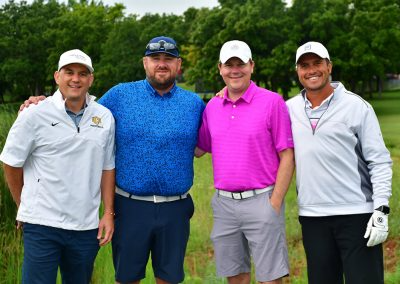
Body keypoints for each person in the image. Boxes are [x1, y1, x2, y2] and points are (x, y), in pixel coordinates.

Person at [0, 49, 116, 284]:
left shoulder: (104, 117)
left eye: (83, 73)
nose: (76, 79)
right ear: (57, 76)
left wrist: (108, 213)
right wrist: (24, 206)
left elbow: (107, 167)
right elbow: (11, 162)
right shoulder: (34, 113)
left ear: (91, 79)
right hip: (42, 225)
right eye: (69, 72)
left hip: (85, 226)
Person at [98, 36, 205, 284]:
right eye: (155, 58)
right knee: (127, 278)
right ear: (145, 63)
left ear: (178, 65)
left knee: (169, 278)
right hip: (130, 207)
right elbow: (84, 112)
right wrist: (43, 102)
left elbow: (208, 141)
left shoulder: (194, 104)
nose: (162, 64)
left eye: (168, 59)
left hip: (175, 208)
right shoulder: (120, 95)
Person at [286, 41, 392, 284]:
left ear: (329, 66)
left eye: (317, 63)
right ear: (298, 71)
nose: (311, 70)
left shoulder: (357, 106)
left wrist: (381, 209)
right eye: (305, 65)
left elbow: (379, 161)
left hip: (357, 214)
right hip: (313, 218)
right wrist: (225, 92)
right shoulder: (288, 109)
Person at [195, 40, 295, 284]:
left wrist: (275, 202)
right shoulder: (213, 107)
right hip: (224, 205)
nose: (234, 70)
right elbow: (199, 149)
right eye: (229, 65)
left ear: (251, 66)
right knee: (235, 277)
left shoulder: (272, 102)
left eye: (240, 64)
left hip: (263, 201)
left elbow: (287, 155)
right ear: (220, 68)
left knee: (270, 278)